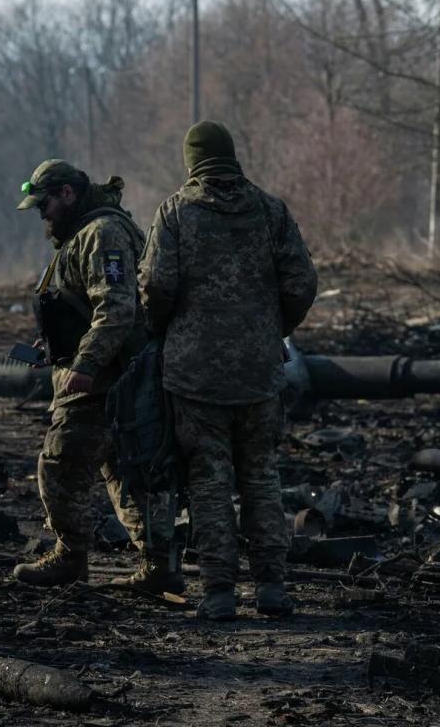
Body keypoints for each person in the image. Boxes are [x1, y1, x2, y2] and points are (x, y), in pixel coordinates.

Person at [138, 121, 317, 620]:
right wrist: (271, 327)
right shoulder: (270, 210)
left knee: (208, 479)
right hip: (259, 371)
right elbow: (302, 281)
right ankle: (272, 588)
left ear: (191, 160)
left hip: (194, 375)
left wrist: (165, 329)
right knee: (260, 475)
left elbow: (154, 284)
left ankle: (219, 593)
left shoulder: (176, 213)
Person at [12, 159, 182, 594]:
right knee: (120, 469)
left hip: (106, 376)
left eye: (44, 204)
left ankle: (70, 557)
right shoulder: (81, 234)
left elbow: (117, 308)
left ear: (68, 194)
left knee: (61, 462)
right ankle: (157, 565)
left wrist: (85, 365)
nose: (42, 214)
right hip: (105, 370)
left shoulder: (101, 233)